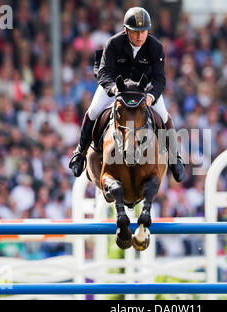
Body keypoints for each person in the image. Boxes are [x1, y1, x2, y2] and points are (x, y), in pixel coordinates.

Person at [69, 7, 185, 182]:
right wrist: (113, 89)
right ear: (126, 30)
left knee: (164, 115)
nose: (139, 36)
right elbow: (103, 73)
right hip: (116, 88)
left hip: (144, 91)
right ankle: (80, 153)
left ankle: (175, 157)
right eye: (135, 32)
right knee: (92, 112)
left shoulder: (155, 47)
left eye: (143, 31)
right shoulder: (113, 43)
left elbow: (161, 79)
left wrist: (152, 96)